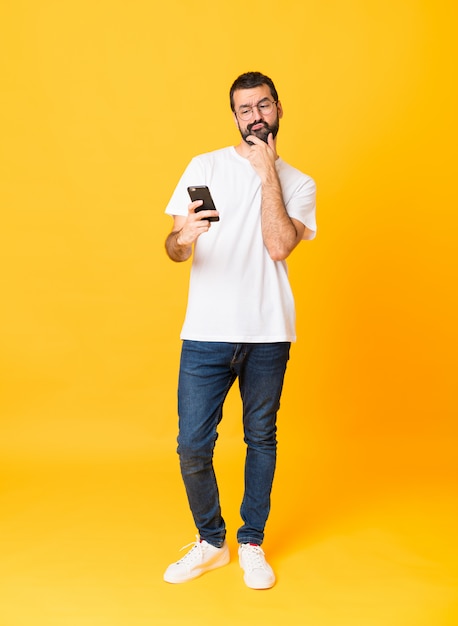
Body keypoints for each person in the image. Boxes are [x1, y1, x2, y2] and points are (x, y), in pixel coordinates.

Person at [162, 71, 316, 589]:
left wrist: (265, 171)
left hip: (268, 333)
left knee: (261, 438)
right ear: (234, 116)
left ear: (278, 109)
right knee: (192, 445)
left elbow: (278, 245)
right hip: (206, 332)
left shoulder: (299, 183)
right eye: (244, 109)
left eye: (263, 105)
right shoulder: (203, 166)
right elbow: (173, 248)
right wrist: (183, 235)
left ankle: (251, 542)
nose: (254, 116)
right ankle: (211, 542)